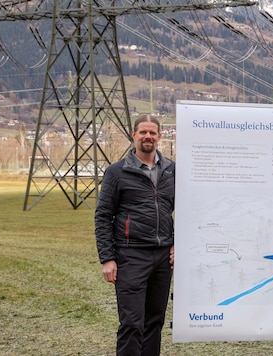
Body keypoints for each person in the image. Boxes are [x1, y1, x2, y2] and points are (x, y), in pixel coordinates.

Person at [95, 114, 176, 356]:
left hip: (163, 258)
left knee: (155, 321)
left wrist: (178, 243)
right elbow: (103, 216)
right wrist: (107, 258)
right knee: (132, 323)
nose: (148, 136)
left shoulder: (173, 170)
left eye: (152, 132)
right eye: (143, 132)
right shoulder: (117, 172)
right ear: (134, 135)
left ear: (160, 136)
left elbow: (186, 210)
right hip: (131, 256)